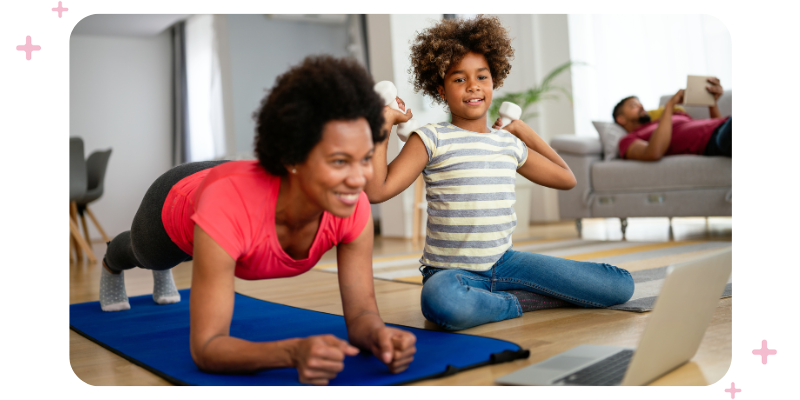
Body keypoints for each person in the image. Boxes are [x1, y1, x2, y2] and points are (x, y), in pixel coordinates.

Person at [99, 55, 416, 384]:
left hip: (234, 188)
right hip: (177, 199)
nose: (357, 179)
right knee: (146, 255)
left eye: (365, 159)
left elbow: (363, 315)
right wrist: (291, 353)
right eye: (339, 161)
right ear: (293, 158)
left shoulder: (352, 208)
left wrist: (380, 335)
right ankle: (111, 261)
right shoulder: (227, 205)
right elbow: (206, 347)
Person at [364, 15, 634, 331]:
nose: (473, 86)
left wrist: (524, 131)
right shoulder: (429, 138)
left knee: (620, 286)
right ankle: (521, 301)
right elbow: (377, 190)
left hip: (505, 264)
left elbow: (566, 178)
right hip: (451, 274)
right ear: (441, 89)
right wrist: (384, 123)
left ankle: (498, 298)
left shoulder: (508, 143)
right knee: (441, 301)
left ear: (495, 82)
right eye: (459, 79)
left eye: (482, 76)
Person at [613, 77, 732, 161]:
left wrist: (712, 102)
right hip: (712, 141)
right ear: (621, 119)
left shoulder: (667, 118)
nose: (641, 107)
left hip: (724, 126)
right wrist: (669, 106)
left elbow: (716, 124)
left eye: (640, 104)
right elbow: (653, 153)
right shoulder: (628, 139)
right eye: (634, 105)